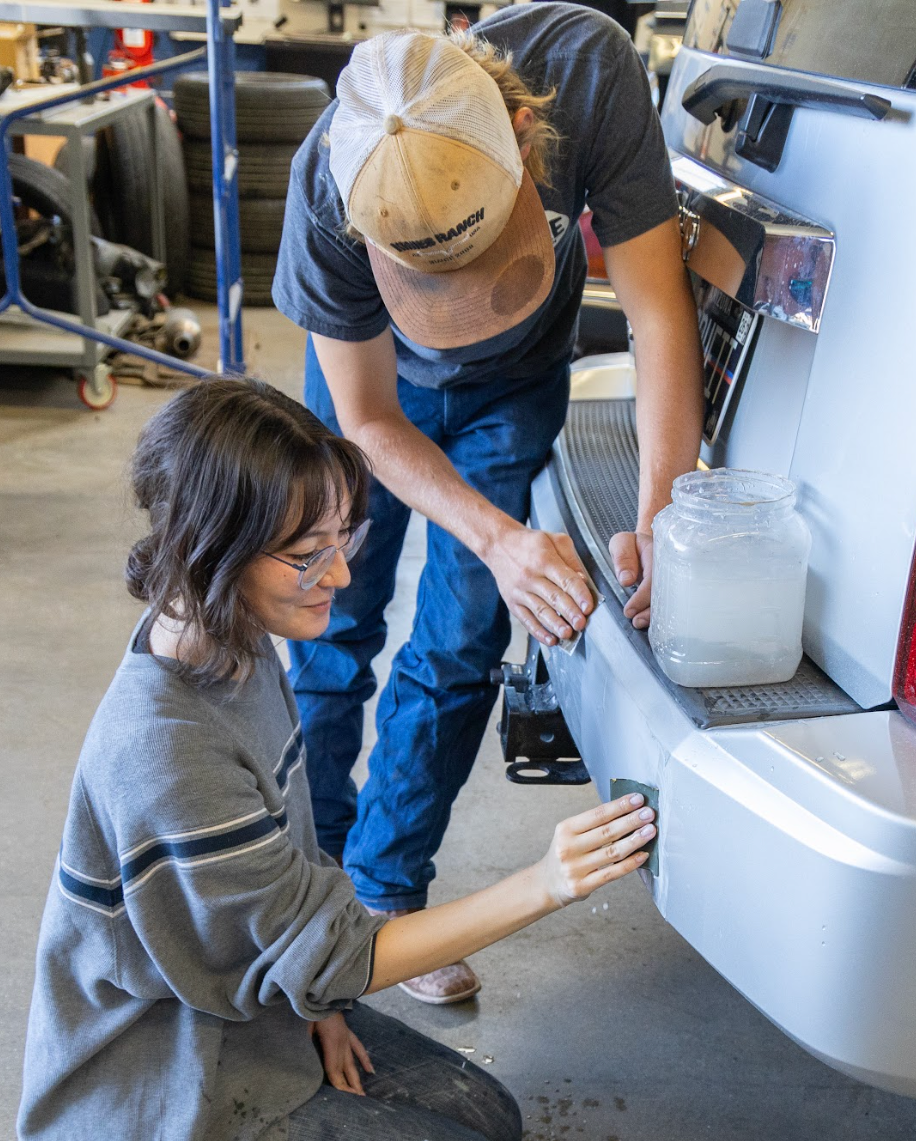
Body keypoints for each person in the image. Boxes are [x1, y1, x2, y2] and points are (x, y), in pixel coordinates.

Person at [17, 377, 657, 1141]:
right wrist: (544, 883)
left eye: (339, 538)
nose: (343, 574)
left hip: (243, 1012)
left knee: (490, 1119)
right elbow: (344, 954)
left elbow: (293, 871)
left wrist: (316, 1003)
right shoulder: (168, 752)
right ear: (214, 547)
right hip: (164, 1082)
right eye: (305, 553)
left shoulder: (230, 641)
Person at [273, 9, 703, 1004]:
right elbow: (370, 418)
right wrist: (501, 537)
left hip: (517, 385)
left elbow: (655, 309)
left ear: (521, 136)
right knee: (327, 623)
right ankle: (314, 891)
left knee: (462, 640)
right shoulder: (323, 182)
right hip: (375, 382)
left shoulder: (588, 77)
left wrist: (662, 517)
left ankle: (385, 904)